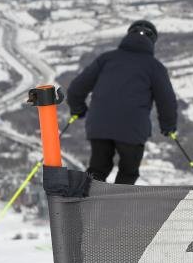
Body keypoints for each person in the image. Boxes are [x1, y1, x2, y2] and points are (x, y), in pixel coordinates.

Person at [66, 19, 177, 185]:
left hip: (99, 125)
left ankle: (87, 203)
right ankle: (117, 207)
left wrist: (78, 109)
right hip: (132, 129)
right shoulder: (155, 67)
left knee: (98, 169)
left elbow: (76, 88)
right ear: (152, 41)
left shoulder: (106, 59)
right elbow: (166, 100)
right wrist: (168, 126)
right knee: (128, 172)